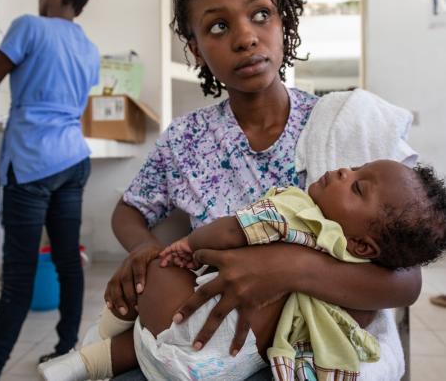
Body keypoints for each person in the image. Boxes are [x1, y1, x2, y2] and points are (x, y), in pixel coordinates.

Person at [102, 0, 421, 381]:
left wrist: (289, 267)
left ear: (283, 22)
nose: (245, 37)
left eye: (260, 15)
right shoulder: (185, 139)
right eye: (217, 26)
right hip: (211, 341)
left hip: (306, 344)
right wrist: (142, 247)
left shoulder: (341, 125)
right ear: (195, 48)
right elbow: (129, 209)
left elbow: (407, 283)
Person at [38, 159, 446, 381]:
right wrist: (142, 245)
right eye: (356, 167)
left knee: (160, 270)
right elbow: (129, 209)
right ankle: (86, 361)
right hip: (228, 366)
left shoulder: (299, 212)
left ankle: (96, 341)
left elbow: (235, 228)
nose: (344, 171)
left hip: (190, 326)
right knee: (151, 327)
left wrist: (188, 246)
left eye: (357, 186)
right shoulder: (358, 297)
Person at [0, 0, 101, 379]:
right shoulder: (88, 47)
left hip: (32, 159)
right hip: (73, 158)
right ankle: (64, 352)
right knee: (67, 261)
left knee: (19, 276)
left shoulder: (29, 26)